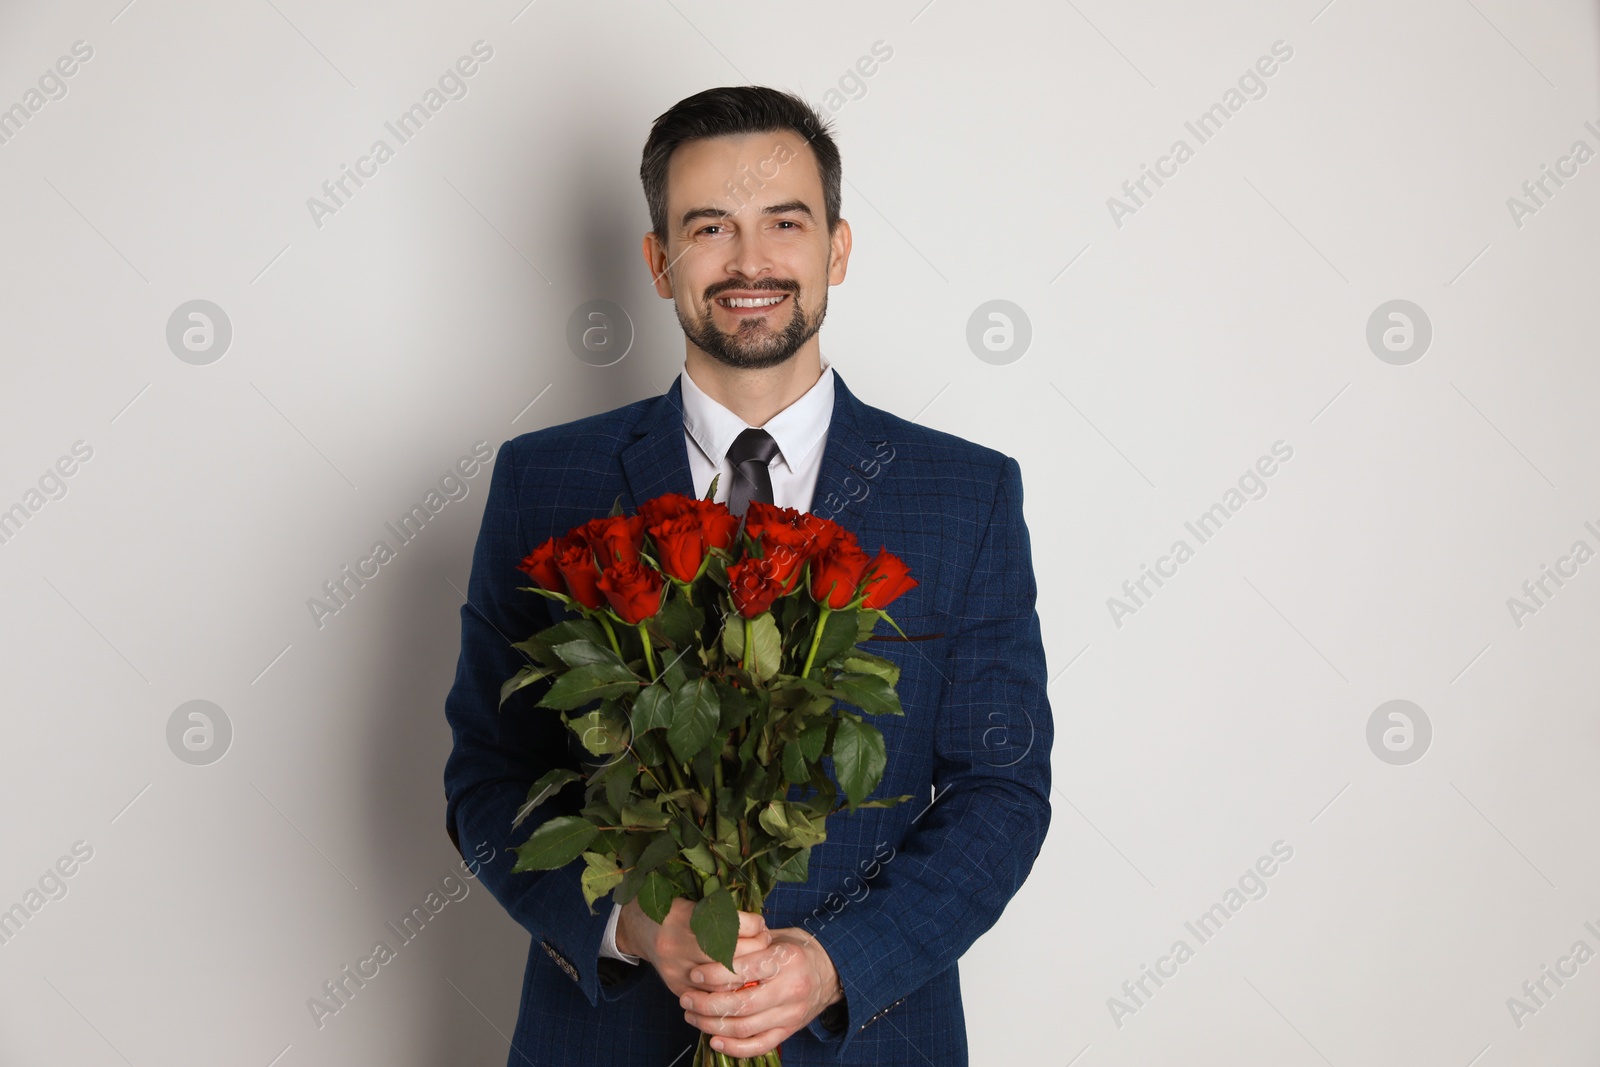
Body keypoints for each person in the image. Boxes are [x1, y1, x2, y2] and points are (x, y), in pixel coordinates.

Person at [442, 85, 1053, 1066]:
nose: (749, 261)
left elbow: (1002, 790)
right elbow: (487, 776)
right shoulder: (542, 479)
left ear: (836, 249)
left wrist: (831, 959)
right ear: (658, 260)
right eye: (709, 226)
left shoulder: (965, 493)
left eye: (784, 222)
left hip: (870, 1039)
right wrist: (634, 925)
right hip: (604, 1040)